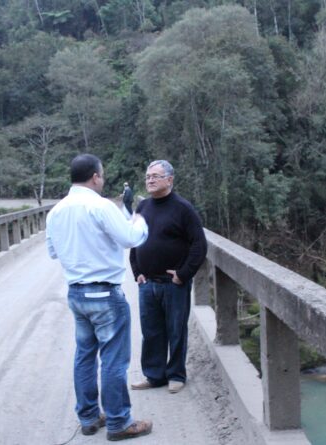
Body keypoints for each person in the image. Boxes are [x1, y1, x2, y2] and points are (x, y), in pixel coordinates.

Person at [46, 154, 153, 441]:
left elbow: (53, 251)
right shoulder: (101, 206)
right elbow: (131, 238)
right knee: (114, 361)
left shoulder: (55, 212)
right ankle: (119, 421)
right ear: (95, 176)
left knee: (84, 357)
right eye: (102, 176)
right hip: (105, 294)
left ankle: (89, 417)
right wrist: (139, 220)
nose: (102, 180)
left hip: (77, 293)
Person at [129, 160, 207, 394]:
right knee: (151, 332)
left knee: (176, 330)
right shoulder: (143, 208)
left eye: (156, 176)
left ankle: (176, 374)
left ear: (170, 179)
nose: (150, 180)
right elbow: (134, 240)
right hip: (147, 283)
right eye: (147, 176)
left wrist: (183, 274)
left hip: (173, 284)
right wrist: (137, 271)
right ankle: (154, 375)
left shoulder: (183, 209)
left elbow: (199, 245)